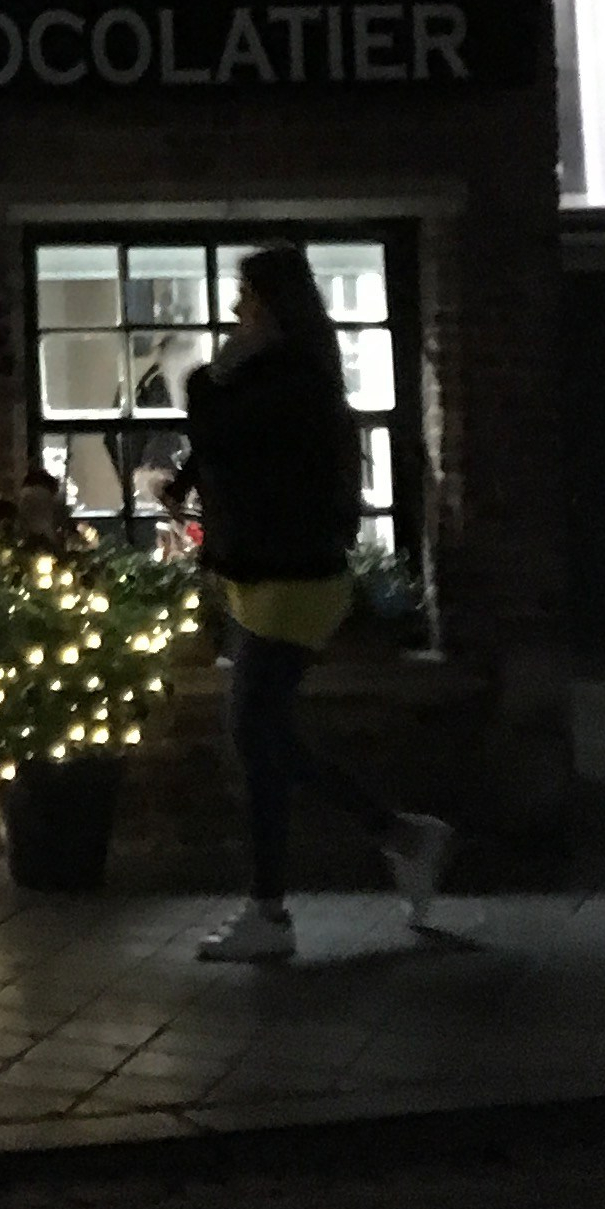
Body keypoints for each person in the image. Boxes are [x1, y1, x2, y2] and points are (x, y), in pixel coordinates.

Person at [171, 243, 450, 962]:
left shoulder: (287, 381)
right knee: (264, 738)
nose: (236, 312)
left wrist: (209, 377)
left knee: (256, 733)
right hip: (269, 573)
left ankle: (291, 898)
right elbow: (226, 453)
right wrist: (182, 485)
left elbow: (224, 428)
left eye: (247, 298)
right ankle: (392, 841)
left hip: (290, 579)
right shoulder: (287, 376)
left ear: (272, 305)